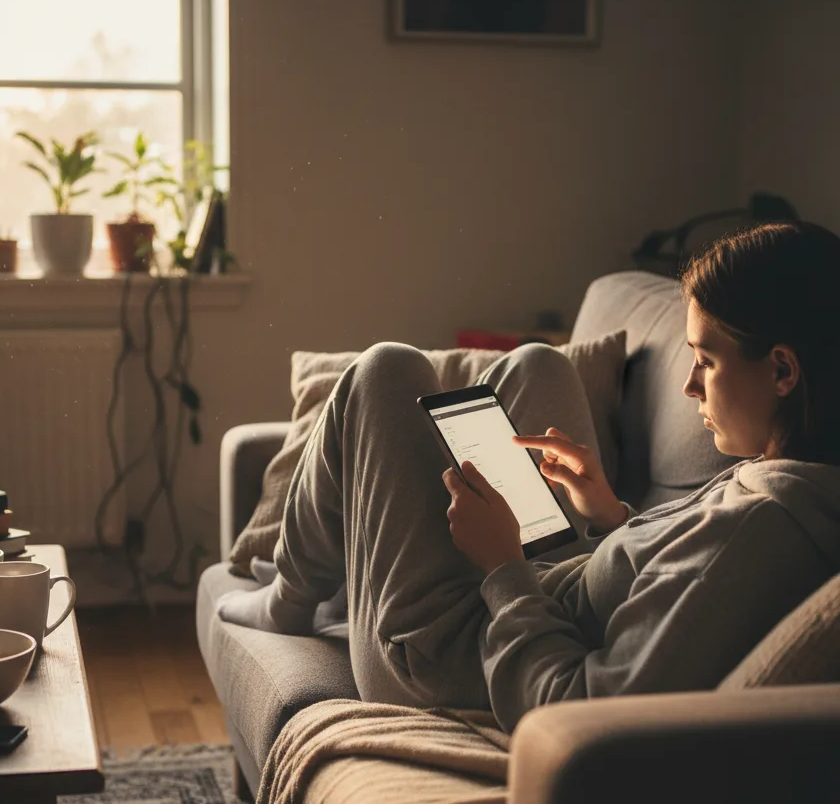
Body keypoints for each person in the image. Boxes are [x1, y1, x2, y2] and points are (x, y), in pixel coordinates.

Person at [218, 221, 840, 733]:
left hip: (459, 659)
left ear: (782, 372)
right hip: (546, 594)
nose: (689, 384)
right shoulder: (786, 473)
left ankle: (292, 600)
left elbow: (577, 712)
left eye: (705, 359)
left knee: (384, 371)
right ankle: (331, 582)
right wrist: (609, 515)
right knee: (539, 364)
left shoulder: (761, 531)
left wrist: (501, 566)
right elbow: (671, 569)